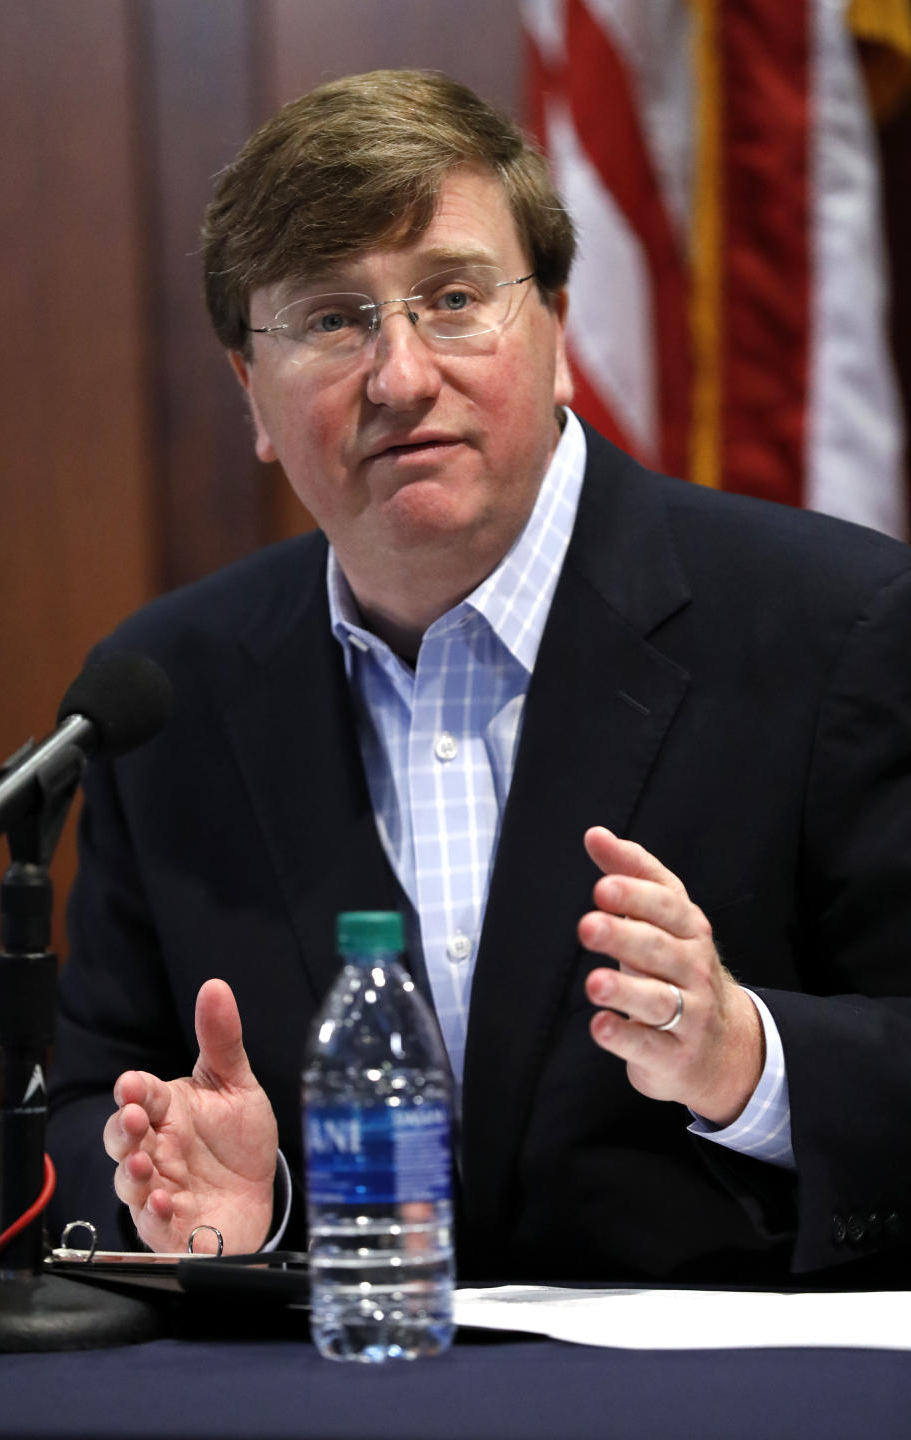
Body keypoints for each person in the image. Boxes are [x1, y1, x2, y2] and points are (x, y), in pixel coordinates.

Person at [46, 69, 911, 1285]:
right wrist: (206, 1203)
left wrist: (748, 1060)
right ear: (251, 390)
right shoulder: (163, 691)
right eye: (332, 321)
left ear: (558, 327)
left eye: (452, 298)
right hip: (322, 1398)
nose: (399, 376)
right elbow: (88, 1108)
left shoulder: (836, 625)